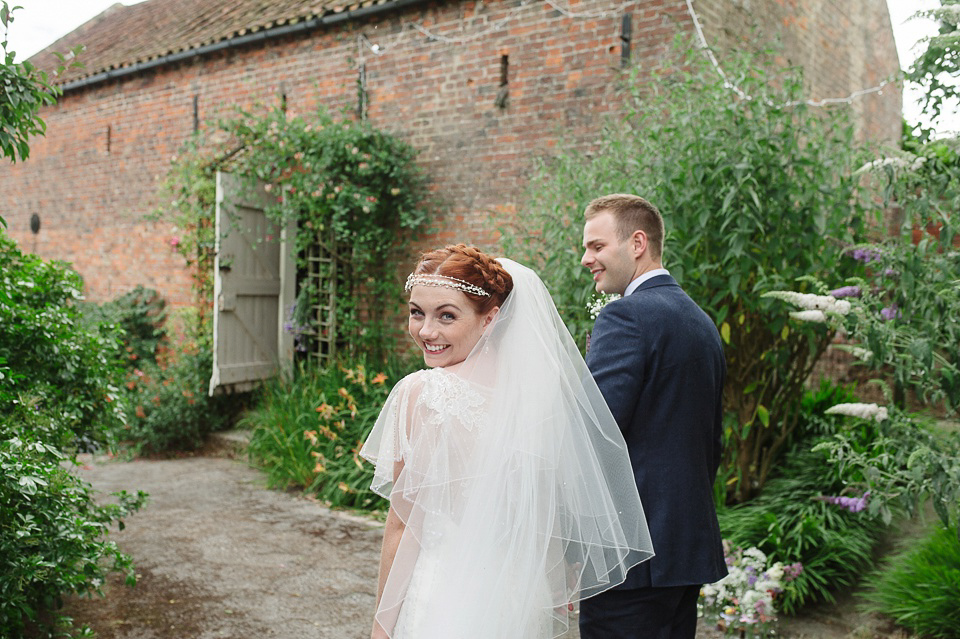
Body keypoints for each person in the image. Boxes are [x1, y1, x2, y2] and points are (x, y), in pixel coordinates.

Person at [361, 244, 654, 639]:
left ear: (490, 319)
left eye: (446, 315)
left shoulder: (422, 393)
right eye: (417, 312)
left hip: (442, 599)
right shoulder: (540, 399)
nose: (426, 331)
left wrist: (381, 629)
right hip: (520, 601)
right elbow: (546, 514)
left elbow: (403, 527)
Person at [578, 195, 727, 639]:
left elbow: (593, 435)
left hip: (632, 556)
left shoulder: (627, 316)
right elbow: (707, 440)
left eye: (597, 246)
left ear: (637, 242)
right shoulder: (699, 320)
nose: (587, 259)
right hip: (684, 548)